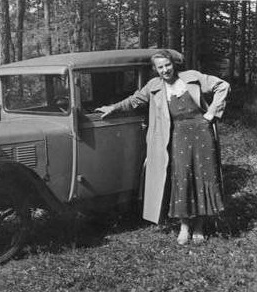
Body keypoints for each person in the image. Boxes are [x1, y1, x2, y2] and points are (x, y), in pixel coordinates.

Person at [96, 49, 230, 245]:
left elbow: (222, 85)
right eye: (160, 67)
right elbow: (134, 100)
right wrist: (113, 108)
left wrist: (211, 113)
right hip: (177, 135)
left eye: (168, 65)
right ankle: (184, 227)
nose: (165, 70)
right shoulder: (154, 86)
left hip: (202, 132)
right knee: (182, 177)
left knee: (203, 176)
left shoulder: (192, 77)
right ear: (155, 69)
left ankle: (200, 226)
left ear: (173, 64)